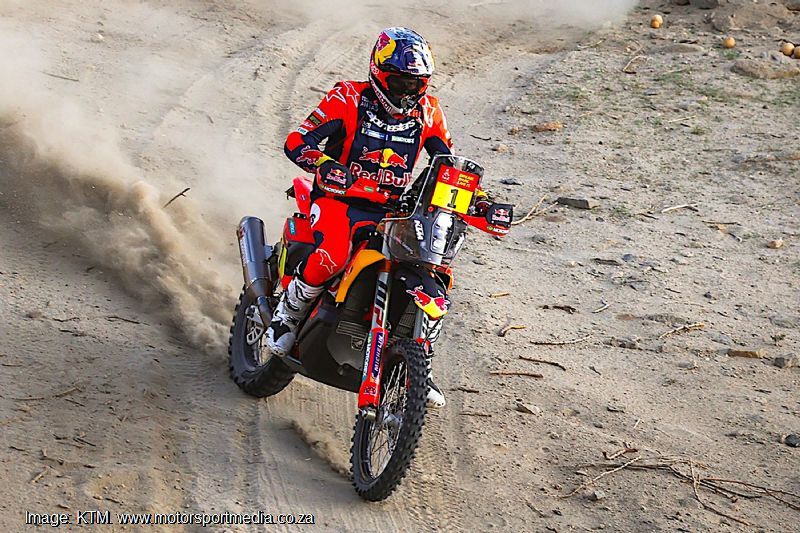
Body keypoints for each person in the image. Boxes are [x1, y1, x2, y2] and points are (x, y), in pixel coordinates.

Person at [267, 27, 495, 408]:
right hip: (338, 200)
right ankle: (286, 317)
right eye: (399, 82)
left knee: (436, 273)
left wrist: (483, 203)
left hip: (394, 211)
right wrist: (323, 164)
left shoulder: (429, 111)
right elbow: (297, 141)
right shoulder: (347, 97)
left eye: (415, 83)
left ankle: (419, 364)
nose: (406, 92)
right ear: (378, 71)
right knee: (334, 254)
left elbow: (449, 167)